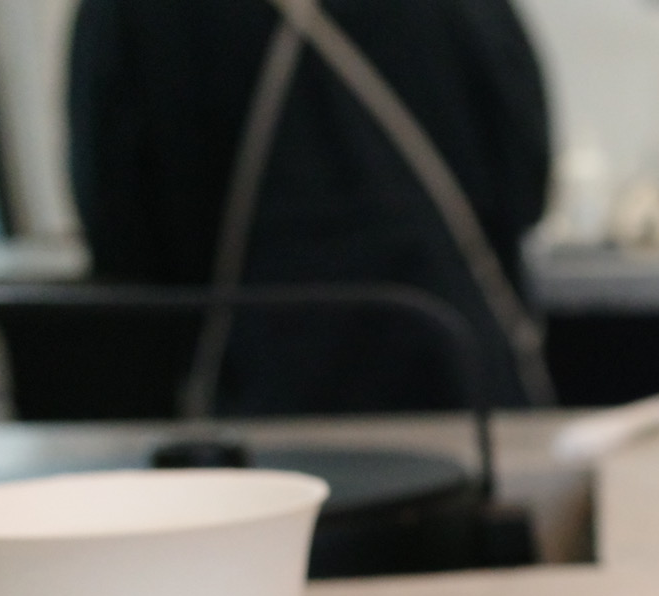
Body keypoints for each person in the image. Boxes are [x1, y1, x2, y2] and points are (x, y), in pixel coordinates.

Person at [66, 0, 552, 415]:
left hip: (247, 405)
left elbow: (118, 229)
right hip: (464, 390)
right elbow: (527, 183)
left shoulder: (132, 12)